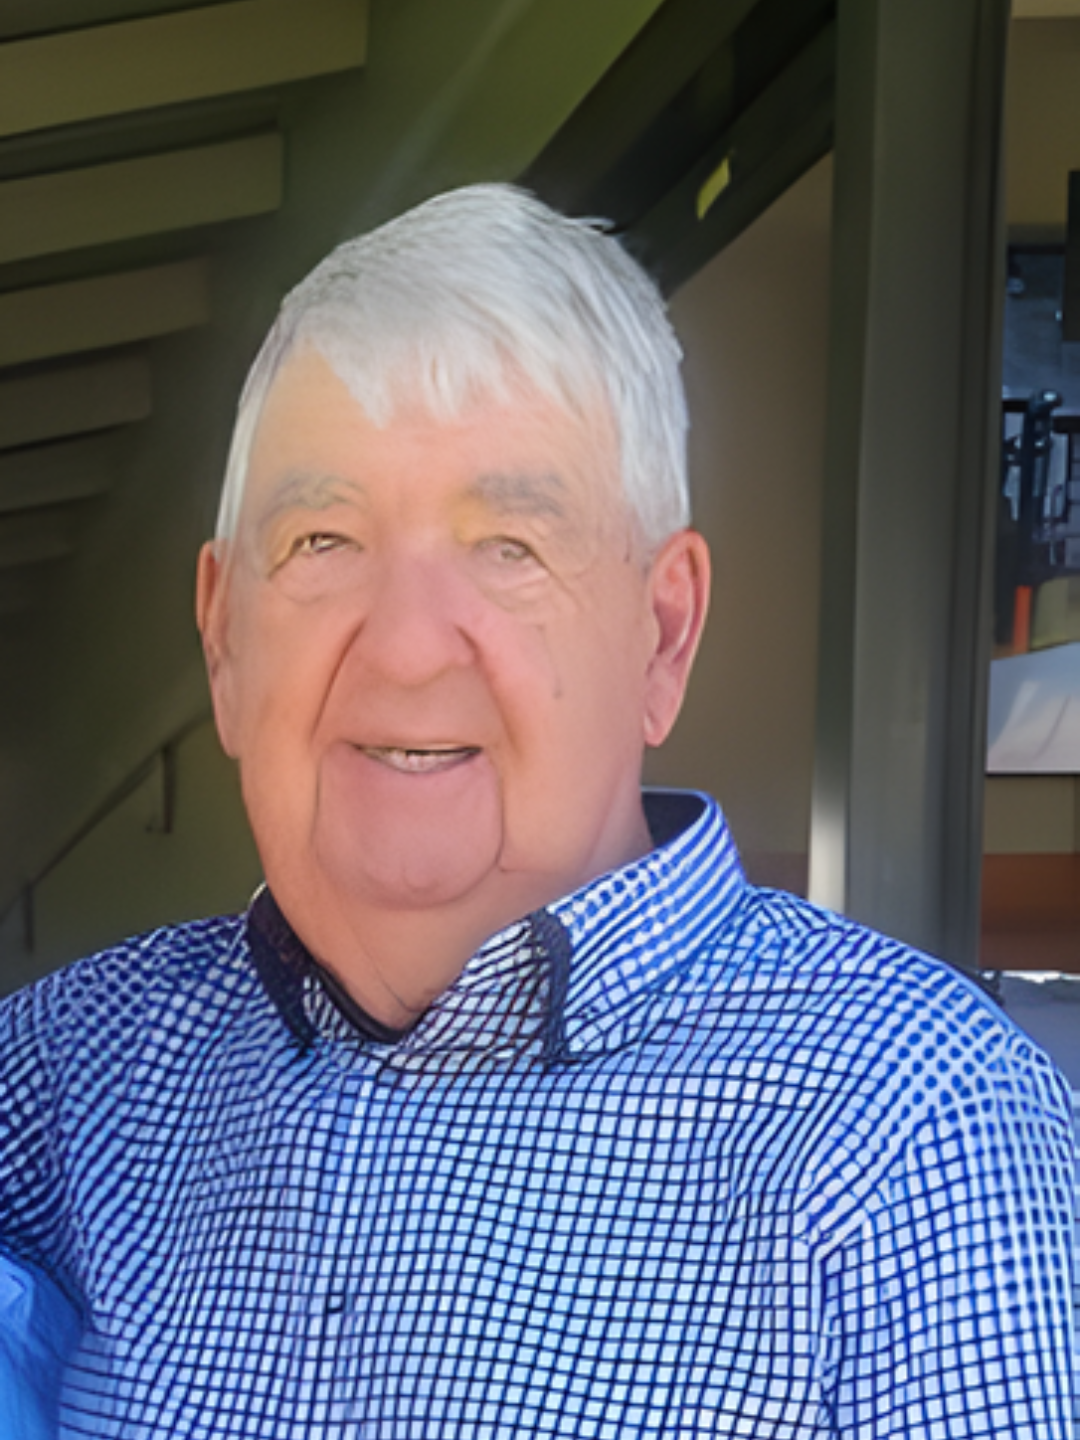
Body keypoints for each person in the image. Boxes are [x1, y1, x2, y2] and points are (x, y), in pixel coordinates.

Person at [0, 184, 1074, 1439]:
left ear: (662, 634)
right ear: (225, 640)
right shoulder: (71, 1070)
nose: (406, 647)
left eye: (509, 544)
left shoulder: (915, 1133)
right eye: (322, 541)